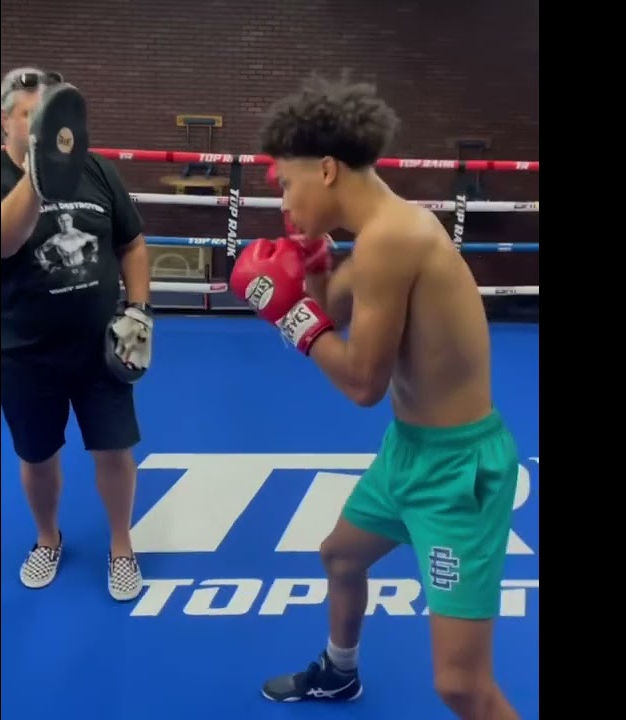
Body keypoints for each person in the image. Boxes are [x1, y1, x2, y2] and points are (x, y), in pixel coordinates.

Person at [230, 73, 522, 720]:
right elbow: (330, 305)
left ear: (327, 169)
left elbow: (363, 382)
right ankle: (339, 674)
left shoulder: (395, 237)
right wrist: (310, 269)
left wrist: (291, 319)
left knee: (460, 686)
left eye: (286, 183)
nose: (283, 202)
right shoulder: (374, 237)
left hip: (457, 474)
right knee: (339, 554)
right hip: (409, 452)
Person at [0, 67, 151, 601]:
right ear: (6, 124)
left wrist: (139, 309)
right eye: (30, 115)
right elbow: (4, 240)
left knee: (114, 450)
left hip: (99, 346)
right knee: (37, 456)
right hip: (23, 352)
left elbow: (131, 242)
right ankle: (47, 538)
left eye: (49, 115)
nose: (42, 126)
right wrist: (39, 178)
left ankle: (121, 546)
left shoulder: (98, 171)